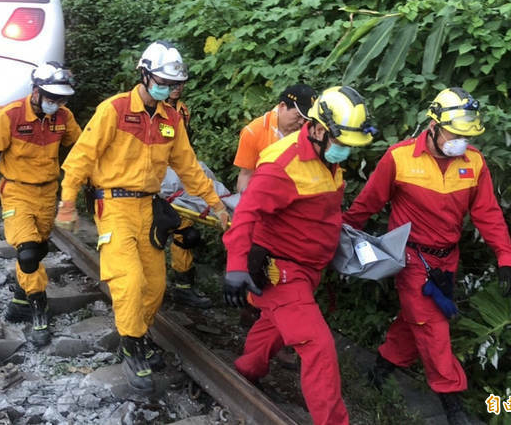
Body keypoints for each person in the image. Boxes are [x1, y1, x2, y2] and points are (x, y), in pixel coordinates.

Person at [54, 40, 230, 393]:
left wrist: (216, 203)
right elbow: (81, 157)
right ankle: (132, 345)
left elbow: (188, 167)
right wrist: (67, 201)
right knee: (129, 281)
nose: (168, 89)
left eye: (173, 84)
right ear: (145, 75)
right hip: (114, 206)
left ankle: (138, 334)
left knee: (155, 286)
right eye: (162, 81)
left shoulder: (171, 120)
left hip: (149, 209)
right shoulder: (114, 110)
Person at [343, 87, 511, 425]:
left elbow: (489, 215)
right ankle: (453, 405)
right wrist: (338, 240)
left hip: (446, 262)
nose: (461, 141)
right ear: (434, 125)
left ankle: (380, 370)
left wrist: (506, 258)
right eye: (455, 133)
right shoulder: (399, 158)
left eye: (466, 135)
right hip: (411, 261)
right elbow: (366, 204)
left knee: (416, 322)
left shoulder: (474, 163)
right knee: (432, 328)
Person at [223, 85, 375, 425]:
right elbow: (246, 213)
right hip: (281, 270)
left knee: (273, 326)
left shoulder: (326, 157)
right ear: (319, 129)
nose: (346, 152)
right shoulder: (283, 164)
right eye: (342, 144)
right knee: (317, 347)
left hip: (309, 268)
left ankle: (246, 369)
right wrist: (236, 266)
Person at [0, 62, 81, 345]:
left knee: (38, 250)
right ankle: (39, 309)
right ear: (36, 91)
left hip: (47, 193)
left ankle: (20, 299)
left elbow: (81, 150)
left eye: (61, 99)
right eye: (51, 98)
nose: (56, 104)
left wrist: (82, 187)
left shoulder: (63, 117)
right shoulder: (9, 117)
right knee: (27, 253)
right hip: (16, 191)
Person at [164, 82, 212, 308]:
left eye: (179, 84)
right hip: (153, 176)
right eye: (171, 84)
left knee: (186, 234)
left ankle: (183, 286)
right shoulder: (151, 108)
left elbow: (183, 147)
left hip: (176, 175)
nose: (176, 88)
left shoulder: (182, 110)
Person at [233, 84, 316, 193]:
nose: (301, 122)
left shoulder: (310, 130)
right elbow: (246, 174)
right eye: (298, 116)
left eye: (305, 118)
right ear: (282, 106)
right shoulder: (254, 131)